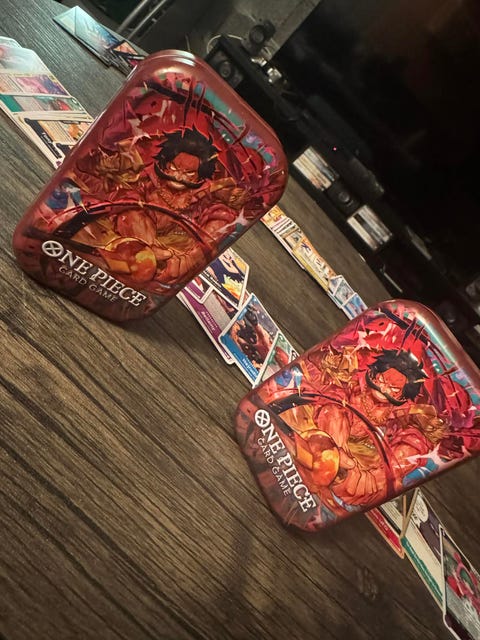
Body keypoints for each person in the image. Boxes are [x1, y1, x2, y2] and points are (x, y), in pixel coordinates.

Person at [259, 347, 447, 516]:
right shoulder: (354, 379)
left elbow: (388, 472)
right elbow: (320, 374)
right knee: (332, 414)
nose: (384, 387)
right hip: (321, 430)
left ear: (403, 395)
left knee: (378, 475)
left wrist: (348, 472)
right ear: (375, 373)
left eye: (393, 389)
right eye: (382, 380)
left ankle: (331, 468)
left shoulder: (406, 417)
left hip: (353, 465)